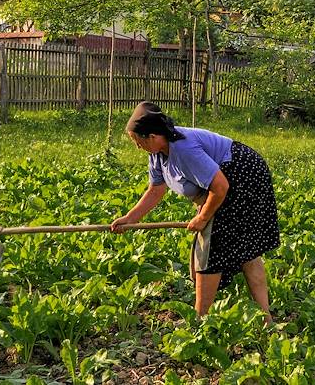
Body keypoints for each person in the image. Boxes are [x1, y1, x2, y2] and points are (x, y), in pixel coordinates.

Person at [113, 101, 281, 320]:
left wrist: (203, 217)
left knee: (210, 250)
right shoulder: (156, 154)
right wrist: (131, 218)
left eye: (137, 140)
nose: (136, 145)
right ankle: (265, 318)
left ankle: (200, 319)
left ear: (153, 136)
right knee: (244, 251)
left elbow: (220, 187)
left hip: (242, 176)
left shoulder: (183, 149)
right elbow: (155, 190)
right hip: (233, 177)